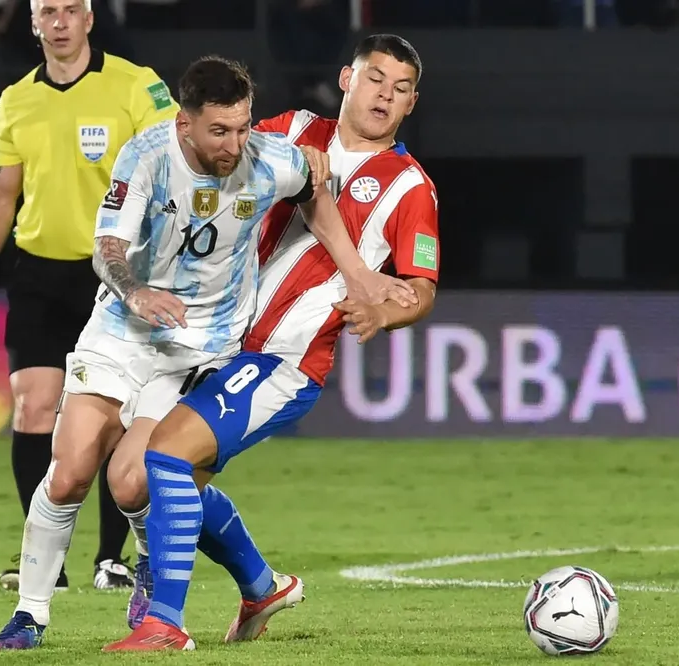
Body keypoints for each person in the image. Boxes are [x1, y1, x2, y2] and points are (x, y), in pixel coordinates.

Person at [0, 54, 414, 652]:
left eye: (243, 127)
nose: (235, 144)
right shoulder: (146, 157)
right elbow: (106, 246)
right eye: (220, 131)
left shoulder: (268, 161)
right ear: (184, 123)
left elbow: (314, 195)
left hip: (201, 352)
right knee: (71, 471)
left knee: (132, 480)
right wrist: (136, 290)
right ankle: (31, 614)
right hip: (123, 330)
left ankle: (149, 567)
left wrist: (360, 274)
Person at [104, 33, 439, 652]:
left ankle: (165, 624)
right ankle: (263, 588)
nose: (384, 96)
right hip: (215, 340)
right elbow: (220, 155)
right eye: (375, 79)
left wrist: (383, 313)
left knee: (171, 454)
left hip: (284, 359)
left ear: (411, 104)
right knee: (130, 480)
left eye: (400, 89)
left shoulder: (410, 186)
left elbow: (421, 288)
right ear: (347, 79)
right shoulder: (294, 132)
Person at [0, 0, 180, 596]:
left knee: (112, 416)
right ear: (33, 22)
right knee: (33, 407)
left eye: (70, 10)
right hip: (38, 274)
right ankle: (44, 561)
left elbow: (177, 168)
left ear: (89, 18)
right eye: (47, 11)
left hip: (116, 279)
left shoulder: (136, 86)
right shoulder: (17, 99)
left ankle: (110, 558)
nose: (59, 21)